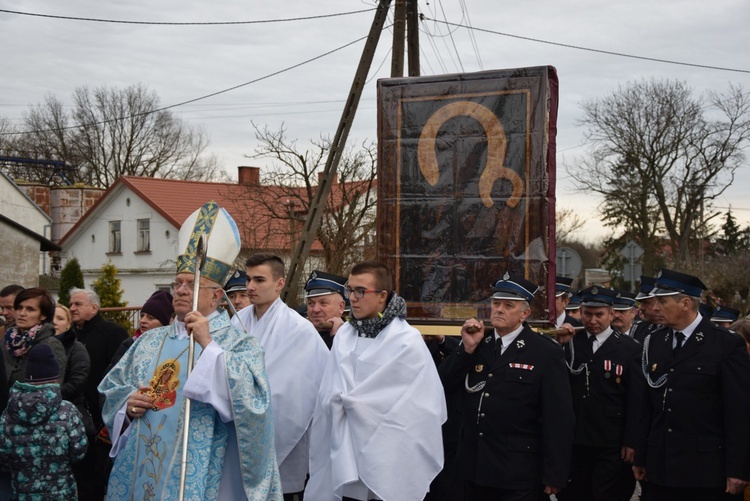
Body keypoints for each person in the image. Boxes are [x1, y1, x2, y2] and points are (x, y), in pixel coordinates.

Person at [99, 201, 281, 499]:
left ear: (216, 296)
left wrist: (209, 347)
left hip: (204, 469)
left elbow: (255, 406)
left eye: (191, 284)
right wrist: (127, 406)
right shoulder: (149, 341)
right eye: (177, 284)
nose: (181, 290)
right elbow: (112, 389)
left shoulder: (239, 343)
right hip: (142, 461)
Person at [307, 261, 447, 501]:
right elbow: (327, 391)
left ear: (382, 296)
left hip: (389, 453)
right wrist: (337, 402)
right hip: (345, 448)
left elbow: (420, 406)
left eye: (360, 291)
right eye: (350, 290)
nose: (353, 298)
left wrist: (360, 406)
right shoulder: (344, 337)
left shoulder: (406, 341)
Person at [439, 273, 574, 501]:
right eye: (496, 303)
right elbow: (444, 384)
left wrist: (555, 473)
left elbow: (558, 418)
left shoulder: (544, 352)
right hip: (474, 467)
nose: (499, 309)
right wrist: (466, 350)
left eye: (508, 305)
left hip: (517, 471)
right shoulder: (480, 344)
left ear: (525, 313)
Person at [633, 268, 750, 500]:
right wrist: (641, 456)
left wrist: (738, 469)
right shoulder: (655, 341)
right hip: (661, 466)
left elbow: (739, 412)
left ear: (685, 303)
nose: (655, 308)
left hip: (705, 470)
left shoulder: (725, 344)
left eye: (662, 302)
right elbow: (647, 405)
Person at [232, 255, 329, 500]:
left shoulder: (299, 329)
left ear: (280, 283)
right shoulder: (236, 321)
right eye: (249, 279)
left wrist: (250, 398)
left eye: (259, 280)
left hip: (277, 433)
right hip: (236, 429)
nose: (251, 287)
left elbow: (299, 391)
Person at [556, 286, 639, 501]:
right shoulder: (570, 342)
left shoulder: (629, 349)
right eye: (587, 314)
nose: (593, 320)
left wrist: (631, 440)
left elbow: (635, 399)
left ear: (611, 314)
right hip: (576, 439)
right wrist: (560, 346)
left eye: (599, 315)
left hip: (610, 440)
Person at [0, 343, 88, 500]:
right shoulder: (67, 411)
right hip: (61, 493)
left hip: (22, 494)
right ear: (55, 376)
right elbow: (79, 452)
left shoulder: (8, 414)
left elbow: (4, 459)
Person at [68, 287, 128, 432]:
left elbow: (120, 371)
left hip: (101, 407)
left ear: (94, 308)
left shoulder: (112, 332)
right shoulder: (70, 334)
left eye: (78, 304)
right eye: (70, 304)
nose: (72, 308)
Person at [2, 287, 67, 387]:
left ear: (43, 315)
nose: (22, 313)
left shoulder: (51, 344)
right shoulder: (6, 340)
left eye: (30, 309)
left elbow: (52, 388)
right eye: (19, 307)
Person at [106, 289, 174, 373]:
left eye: (150, 318)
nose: (143, 320)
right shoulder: (129, 344)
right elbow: (111, 374)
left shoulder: (172, 347)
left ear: (165, 323)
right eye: (142, 316)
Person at [304, 270, 348, 349]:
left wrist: (336, 338)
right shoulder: (298, 335)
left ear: (341, 307)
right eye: (311, 303)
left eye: (323, 303)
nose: (316, 309)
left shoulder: (352, 338)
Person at [631, 276, 660, 344]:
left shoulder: (673, 330)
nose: (641, 308)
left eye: (646, 303)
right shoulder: (639, 329)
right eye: (641, 303)